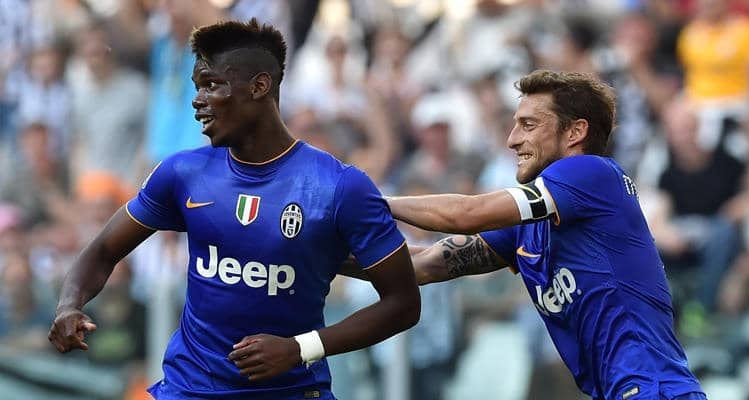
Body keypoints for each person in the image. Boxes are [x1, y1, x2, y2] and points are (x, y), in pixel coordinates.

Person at [48, 19, 420, 400]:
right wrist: (68, 305)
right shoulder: (182, 174)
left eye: (212, 85)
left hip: (291, 392)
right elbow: (103, 250)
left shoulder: (338, 187)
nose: (198, 100)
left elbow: (403, 304)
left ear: (259, 86)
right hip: (190, 391)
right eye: (197, 86)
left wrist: (301, 348)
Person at [385, 70, 706, 399]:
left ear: (575, 132)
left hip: (653, 389)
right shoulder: (529, 226)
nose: (512, 139)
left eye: (528, 125)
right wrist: (350, 249)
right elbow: (425, 265)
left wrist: (375, 203)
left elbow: (467, 214)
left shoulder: (592, 173)